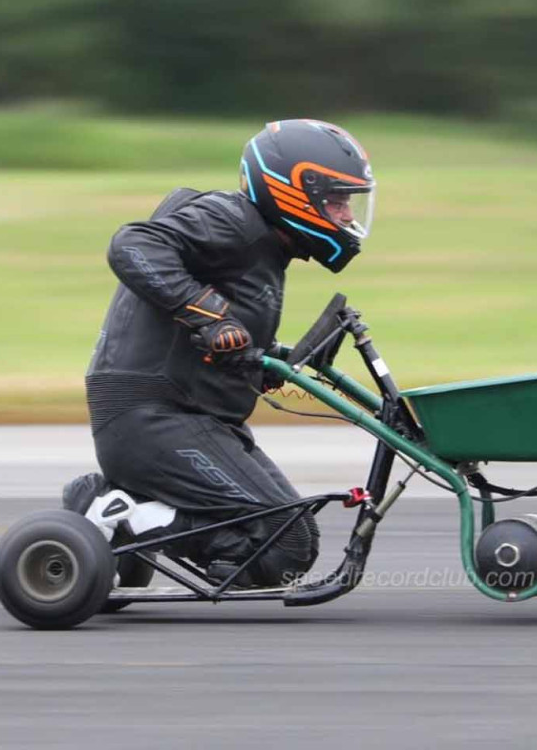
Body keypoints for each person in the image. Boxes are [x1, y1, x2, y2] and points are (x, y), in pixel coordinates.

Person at [62, 119, 375, 586]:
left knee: (292, 543)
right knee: (279, 546)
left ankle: (132, 512)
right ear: (294, 190)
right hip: (152, 417)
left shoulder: (267, 247)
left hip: (195, 416)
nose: (347, 217)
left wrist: (263, 357)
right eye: (336, 201)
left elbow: (222, 330)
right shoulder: (230, 220)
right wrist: (211, 316)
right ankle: (118, 512)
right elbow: (134, 244)